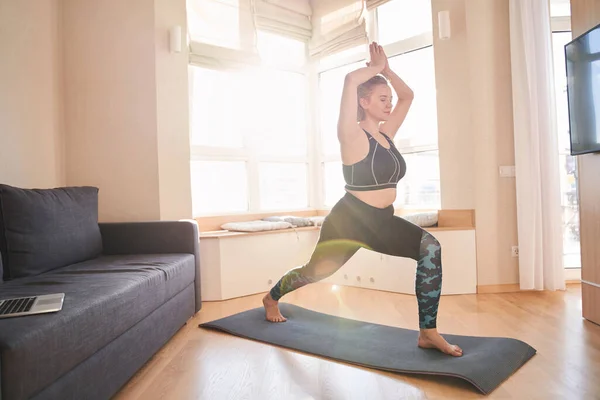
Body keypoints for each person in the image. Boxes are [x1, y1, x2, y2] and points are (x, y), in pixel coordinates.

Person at [262, 42, 463, 357]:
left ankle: (428, 332)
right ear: (363, 102)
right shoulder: (351, 135)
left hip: (381, 222)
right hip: (349, 222)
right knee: (315, 272)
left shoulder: (387, 134)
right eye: (383, 99)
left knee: (430, 248)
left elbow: (408, 96)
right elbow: (349, 81)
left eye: (389, 99)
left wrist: (387, 71)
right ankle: (272, 297)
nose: (389, 103)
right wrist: (373, 70)